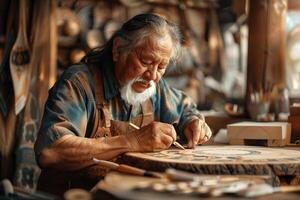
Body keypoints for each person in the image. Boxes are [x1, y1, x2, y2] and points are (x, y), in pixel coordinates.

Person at [34, 13, 212, 196]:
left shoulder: (153, 87)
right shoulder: (79, 84)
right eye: (145, 61)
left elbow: (185, 108)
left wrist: (193, 121)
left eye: (161, 67)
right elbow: (51, 152)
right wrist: (132, 141)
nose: (153, 76)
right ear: (118, 50)